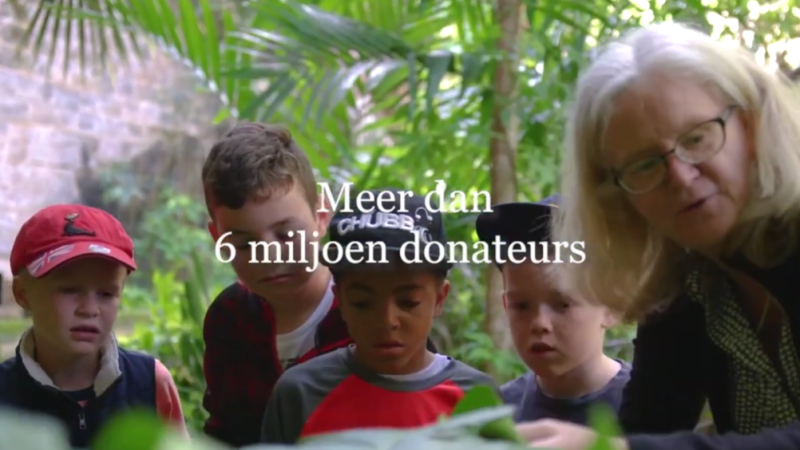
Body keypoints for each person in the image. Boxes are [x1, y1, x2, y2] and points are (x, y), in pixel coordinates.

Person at [514, 22, 800, 450]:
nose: (681, 177)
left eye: (697, 138)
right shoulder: (689, 282)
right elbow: (650, 425)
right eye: (645, 164)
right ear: (615, 195)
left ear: (751, 126)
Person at [260, 189, 496, 444]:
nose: (386, 321)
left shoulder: (476, 398)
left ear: (439, 298)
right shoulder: (301, 393)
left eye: (408, 302)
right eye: (362, 303)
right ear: (340, 301)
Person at [199, 123, 352, 447]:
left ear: (321, 216)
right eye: (243, 243)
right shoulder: (228, 319)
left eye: (286, 234)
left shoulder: (368, 308)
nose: (268, 256)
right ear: (218, 239)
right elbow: (225, 430)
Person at [0, 204, 187, 448]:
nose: (89, 309)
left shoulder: (151, 382)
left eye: (107, 294)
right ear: (22, 293)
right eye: (69, 290)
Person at [475, 196, 630, 425]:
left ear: (612, 306)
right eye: (522, 306)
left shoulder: (648, 407)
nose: (540, 323)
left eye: (563, 304)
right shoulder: (496, 415)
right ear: (506, 307)